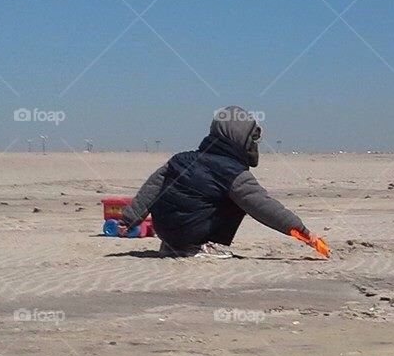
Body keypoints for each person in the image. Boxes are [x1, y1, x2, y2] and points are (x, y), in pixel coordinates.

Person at [118, 106, 319, 258]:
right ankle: (200, 246)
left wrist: (128, 220)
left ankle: (176, 246)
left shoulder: (180, 159)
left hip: (166, 233)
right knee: (239, 199)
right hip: (190, 233)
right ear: (240, 138)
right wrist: (302, 232)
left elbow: (151, 189)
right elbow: (263, 207)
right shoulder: (232, 173)